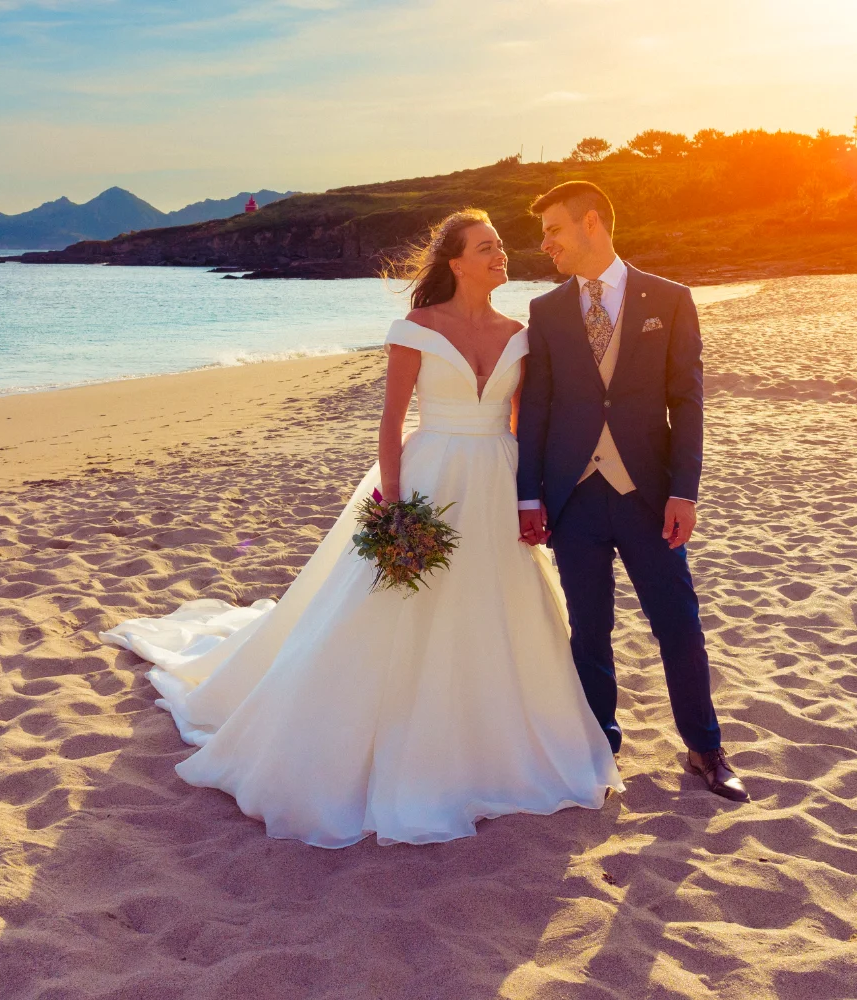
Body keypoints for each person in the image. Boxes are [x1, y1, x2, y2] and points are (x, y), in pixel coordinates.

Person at [100, 208, 622, 849]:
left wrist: (530, 496)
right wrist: (395, 501)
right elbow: (391, 422)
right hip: (430, 478)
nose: (500, 256)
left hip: (497, 479)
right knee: (397, 602)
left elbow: (522, 425)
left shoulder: (521, 334)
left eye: (500, 247)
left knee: (497, 605)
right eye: (486, 248)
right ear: (455, 262)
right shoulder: (415, 329)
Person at [517, 181, 749, 803]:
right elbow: (536, 409)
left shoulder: (670, 300)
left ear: (592, 223)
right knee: (588, 632)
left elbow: (687, 401)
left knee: (678, 624)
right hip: (575, 498)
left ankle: (706, 749)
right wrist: (529, 496)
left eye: (554, 231)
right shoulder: (545, 312)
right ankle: (601, 750)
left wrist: (685, 491)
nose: (546, 245)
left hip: (648, 495)